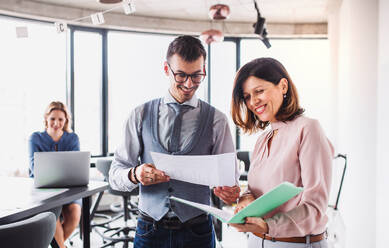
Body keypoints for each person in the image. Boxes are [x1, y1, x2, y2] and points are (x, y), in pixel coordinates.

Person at [109, 35, 240, 248]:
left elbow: (230, 181)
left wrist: (230, 191)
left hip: (198, 231)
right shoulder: (140, 115)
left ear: (204, 70)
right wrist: (135, 174)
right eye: (180, 75)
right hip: (150, 230)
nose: (189, 84)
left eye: (197, 76)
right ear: (165, 69)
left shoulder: (217, 120)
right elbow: (115, 175)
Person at [229, 58, 333, 248]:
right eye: (247, 96)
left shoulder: (308, 129)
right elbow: (254, 191)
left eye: (259, 91)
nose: (253, 102)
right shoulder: (263, 140)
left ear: (283, 86)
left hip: (296, 244)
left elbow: (315, 207)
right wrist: (245, 200)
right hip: (256, 241)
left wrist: (268, 226)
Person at [28, 101, 81, 248]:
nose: (56, 123)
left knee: (75, 212)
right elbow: (34, 168)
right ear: (46, 118)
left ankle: (58, 245)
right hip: (44, 190)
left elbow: (76, 166)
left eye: (60, 119)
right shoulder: (36, 138)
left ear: (66, 121)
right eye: (52, 119)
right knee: (53, 216)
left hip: (69, 188)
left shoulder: (72, 138)